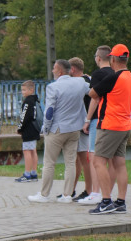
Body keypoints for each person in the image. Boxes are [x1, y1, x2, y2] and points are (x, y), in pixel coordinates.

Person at [84, 43, 131, 214]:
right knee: (120, 164)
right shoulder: (130, 77)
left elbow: (92, 93)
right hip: (125, 125)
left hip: (110, 125)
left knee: (98, 161)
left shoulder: (114, 77)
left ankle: (106, 201)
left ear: (113, 58)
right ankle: (120, 202)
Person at [28, 59, 89, 203]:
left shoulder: (53, 87)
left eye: (54, 68)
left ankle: (44, 195)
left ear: (60, 71)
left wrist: (46, 128)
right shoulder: (80, 83)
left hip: (57, 129)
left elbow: (49, 112)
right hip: (74, 129)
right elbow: (93, 87)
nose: (52, 71)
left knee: (49, 162)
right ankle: (67, 195)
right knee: (70, 162)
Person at [68, 57, 99, 204]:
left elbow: (93, 99)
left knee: (84, 158)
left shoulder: (83, 83)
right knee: (78, 159)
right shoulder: (88, 79)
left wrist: (87, 119)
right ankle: (71, 189)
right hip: (82, 123)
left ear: (72, 69)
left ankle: (88, 190)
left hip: (84, 124)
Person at [14, 80, 40, 182]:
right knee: (33, 150)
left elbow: (24, 116)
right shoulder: (35, 100)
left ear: (31, 90)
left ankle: (27, 174)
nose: (23, 92)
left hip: (28, 130)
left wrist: (20, 128)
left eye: (24, 90)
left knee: (27, 151)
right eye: (22, 90)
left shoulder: (27, 101)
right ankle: (34, 173)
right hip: (35, 128)